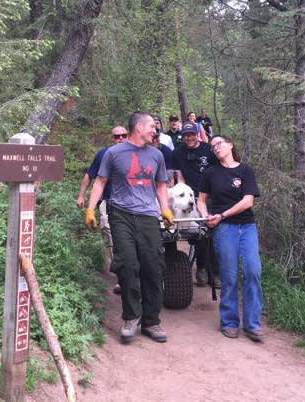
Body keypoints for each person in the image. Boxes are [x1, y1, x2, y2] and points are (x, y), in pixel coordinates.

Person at [85, 112, 174, 344]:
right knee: (126, 265)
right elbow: (101, 181)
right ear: (138, 127)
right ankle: (131, 317)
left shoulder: (157, 155)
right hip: (121, 215)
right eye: (151, 126)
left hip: (148, 217)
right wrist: (90, 208)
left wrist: (165, 209)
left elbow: (162, 185)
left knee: (153, 266)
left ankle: (152, 321)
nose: (155, 130)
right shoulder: (114, 153)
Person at [197, 135, 263, 342]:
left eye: (220, 144)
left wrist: (222, 215)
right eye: (213, 146)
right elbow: (201, 200)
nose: (216, 148)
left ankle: (253, 325)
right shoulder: (210, 173)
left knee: (253, 272)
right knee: (229, 275)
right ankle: (229, 322)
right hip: (224, 229)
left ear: (231, 145)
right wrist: (206, 216)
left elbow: (248, 201)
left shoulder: (245, 170)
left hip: (246, 227)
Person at [77, 126, 128, 294]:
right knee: (111, 238)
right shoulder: (103, 155)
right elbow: (90, 176)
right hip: (107, 202)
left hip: (129, 203)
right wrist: (81, 196)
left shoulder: (134, 153)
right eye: (116, 136)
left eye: (123, 136)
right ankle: (122, 277)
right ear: (111, 138)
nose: (120, 138)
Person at [172, 121, 219, 288]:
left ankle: (215, 272)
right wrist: (183, 195)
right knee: (197, 233)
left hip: (210, 196)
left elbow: (217, 170)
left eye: (191, 134)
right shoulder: (177, 153)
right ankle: (201, 268)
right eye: (186, 135)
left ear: (197, 134)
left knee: (211, 234)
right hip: (190, 197)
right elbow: (179, 176)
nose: (189, 138)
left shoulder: (208, 150)